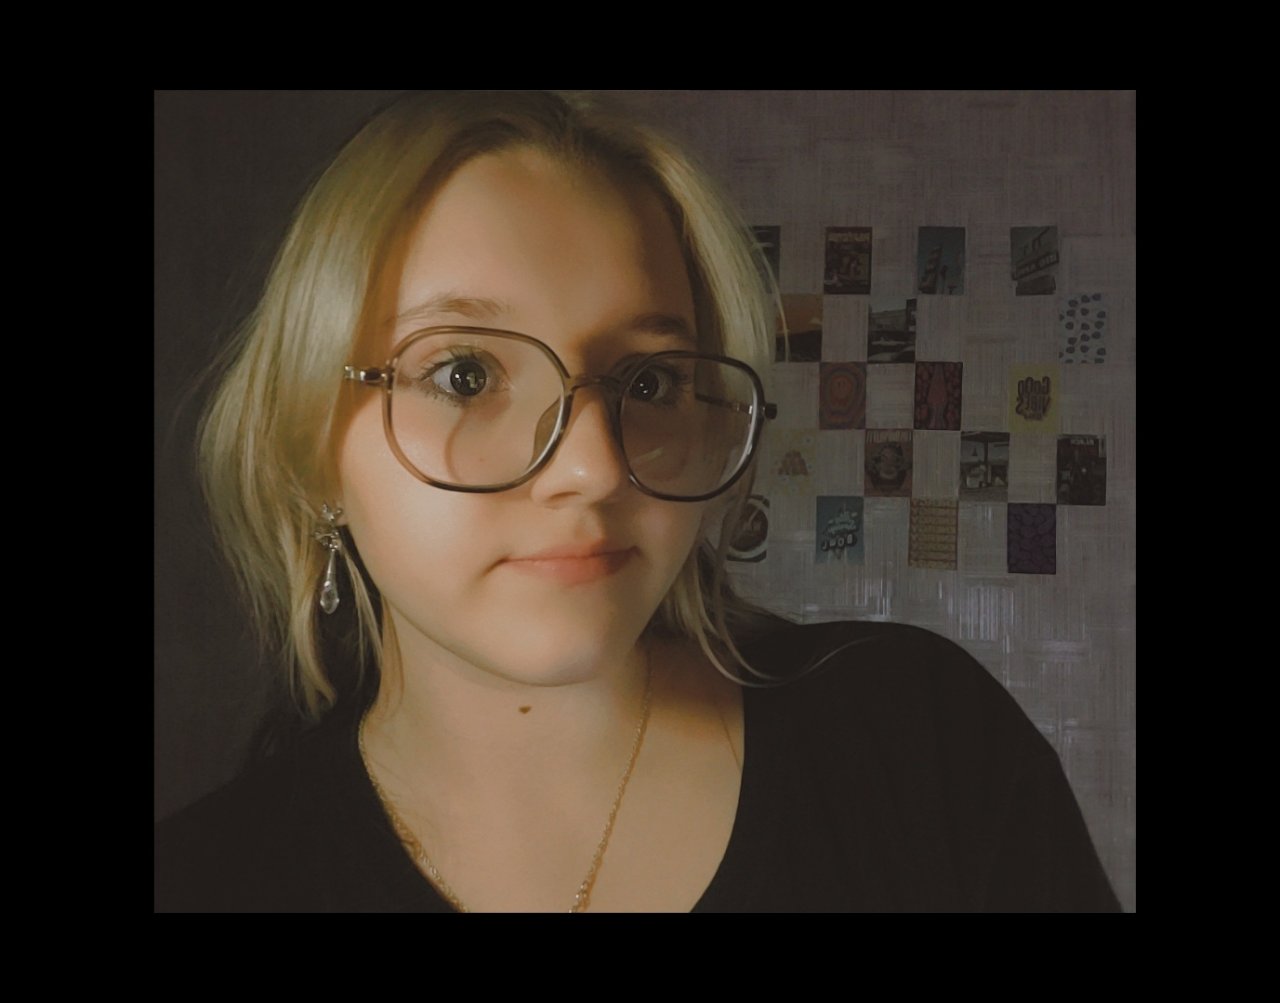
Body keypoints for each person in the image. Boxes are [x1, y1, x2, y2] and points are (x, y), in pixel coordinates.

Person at [155, 91, 1120, 913]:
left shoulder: (925, 748)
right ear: (308, 449)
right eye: (463, 373)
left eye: (649, 381)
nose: (595, 467)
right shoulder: (204, 879)